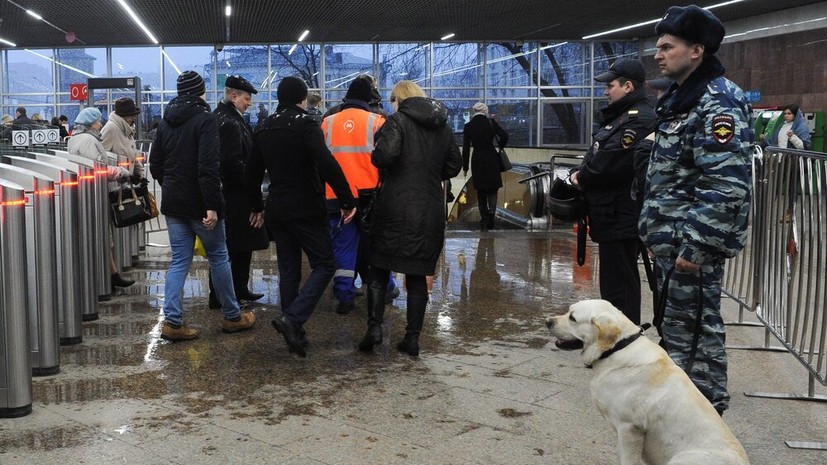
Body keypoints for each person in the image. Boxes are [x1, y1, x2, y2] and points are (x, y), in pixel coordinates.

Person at [640, 5, 753, 415]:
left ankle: (706, 415)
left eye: (667, 46)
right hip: (673, 241)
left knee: (698, 333)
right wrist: (658, 234)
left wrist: (696, 246)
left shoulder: (718, 102)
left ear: (696, 51)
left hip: (692, 247)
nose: (658, 54)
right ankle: (680, 413)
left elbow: (726, 182)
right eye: (658, 46)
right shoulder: (682, 97)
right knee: (676, 329)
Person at [245, 76, 355, 358]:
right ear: (302, 99)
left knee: (289, 271)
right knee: (324, 264)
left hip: (278, 210)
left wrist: (257, 206)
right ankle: (293, 319)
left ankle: (295, 332)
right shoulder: (306, 124)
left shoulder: (263, 126)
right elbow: (325, 162)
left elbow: (253, 173)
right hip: (307, 207)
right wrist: (346, 199)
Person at [149, 70, 256, 341]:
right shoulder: (205, 119)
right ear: (199, 92)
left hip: (174, 204)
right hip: (201, 203)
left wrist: (172, 188)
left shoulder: (165, 122)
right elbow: (208, 165)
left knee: (179, 262)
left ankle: (173, 322)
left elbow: (156, 165)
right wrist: (211, 205)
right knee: (219, 256)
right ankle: (233, 316)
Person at [359, 80, 462, 356]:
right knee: (417, 273)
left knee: (379, 268)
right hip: (428, 207)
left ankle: (374, 329)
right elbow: (454, 164)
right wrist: (427, 172)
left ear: (399, 99)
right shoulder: (443, 125)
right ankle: (412, 339)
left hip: (393, 205)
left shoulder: (397, 121)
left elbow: (384, 156)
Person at [570, 58, 656, 325]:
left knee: (621, 283)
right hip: (610, 213)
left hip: (622, 213)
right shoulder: (619, 117)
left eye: (611, 86)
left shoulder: (639, 119)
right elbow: (599, 153)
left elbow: (612, 161)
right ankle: (616, 336)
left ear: (628, 86)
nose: (606, 91)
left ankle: (625, 338)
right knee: (613, 281)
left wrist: (582, 176)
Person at [321, 75, 400, 316]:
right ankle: (386, 287)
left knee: (343, 248)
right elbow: (387, 160)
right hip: (370, 197)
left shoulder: (327, 122)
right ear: (369, 99)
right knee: (373, 247)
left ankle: (344, 296)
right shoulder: (378, 121)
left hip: (335, 197)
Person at [209, 75, 269, 308]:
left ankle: (239, 289)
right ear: (233, 96)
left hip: (235, 194)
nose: (250, 103)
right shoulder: (228, 123)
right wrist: (252, 179)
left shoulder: (231, 118)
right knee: (233, 247)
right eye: (246, 98)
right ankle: (225, 295)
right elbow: (232, 163)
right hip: (234, 196)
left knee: (241, 246)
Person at [66, 107, 135, 291]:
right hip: (92, 195)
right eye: (98, 120)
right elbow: (94, 168)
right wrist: (119, 172)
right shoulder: (88, 140)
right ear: (90, 123)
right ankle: (107, 279)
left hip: (86, 193)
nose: (101, 123)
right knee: (100, 235)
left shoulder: (76, 138)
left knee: (101, 236)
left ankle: (112, 275)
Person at [462, 102, 508, 230]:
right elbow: (504, 135)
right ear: (485, 111)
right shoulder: (491, 123)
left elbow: (465, 149)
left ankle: (484, 218)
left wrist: (465, 167)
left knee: (481, 191)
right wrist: (500, 146)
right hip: (491, 157)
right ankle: (492, 212)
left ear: (474, 111)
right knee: (493, 189)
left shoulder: (468, 126)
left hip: (477, 159)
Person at [101, 97, 145, 182]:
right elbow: (102, 156)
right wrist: (119, 173)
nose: (134, 118)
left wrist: (140, 174)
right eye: (131, 115)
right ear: (123, 116)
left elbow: (131, 155)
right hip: (116, 182)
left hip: (126, 180)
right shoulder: (111, 128)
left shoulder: (127, 128)